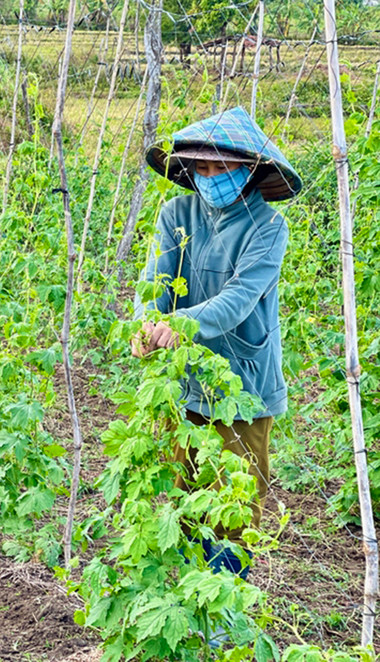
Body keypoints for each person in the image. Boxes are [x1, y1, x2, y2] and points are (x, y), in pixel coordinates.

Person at [132, 106, 302, 579]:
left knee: (235, 502)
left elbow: (238, 300)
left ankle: (225, 609)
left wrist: (179, 325)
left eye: (221, 168)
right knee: (186, 493)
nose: (209, 177)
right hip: (182, 380)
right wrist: (145, 324)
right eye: (200, 168)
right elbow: (156, 284)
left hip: (244, 386)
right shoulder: (177, 213)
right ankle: (190, 598)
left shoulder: (268, 228)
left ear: (249, 170)